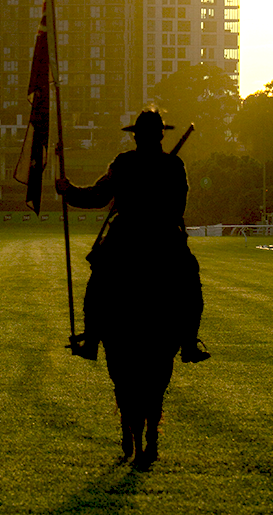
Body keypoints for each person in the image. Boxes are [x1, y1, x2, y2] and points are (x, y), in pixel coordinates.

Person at [55, 108, 209, 467]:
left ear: (137, 136)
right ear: (161, 136)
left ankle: (92, 339)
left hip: (126, 239)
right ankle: (188, 342)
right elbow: (179, 206)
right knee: (189, 281)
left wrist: (67, 190)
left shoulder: (124, 164)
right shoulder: (173, 166)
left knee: (99, 284)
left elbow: (96, 197)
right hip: (164, 241)